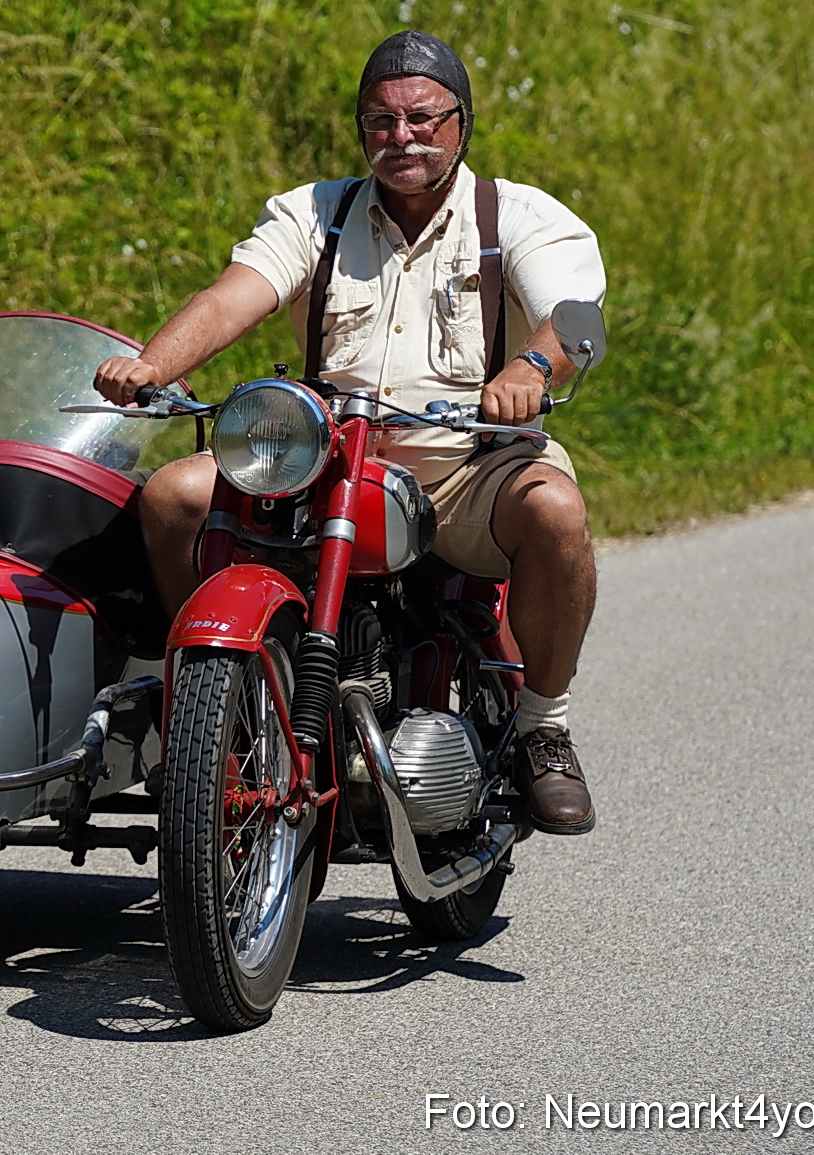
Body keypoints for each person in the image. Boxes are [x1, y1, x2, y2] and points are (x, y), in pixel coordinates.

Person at [92, 30, 601, 835]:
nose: (402, 137)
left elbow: (572, 318)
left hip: (469, 468)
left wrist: (527, 374)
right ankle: (190, 703)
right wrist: (152, 363)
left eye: (423, 119)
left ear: (461, 123)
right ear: (362, 129)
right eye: (380, 121)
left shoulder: (522, 217)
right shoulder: (314, 214)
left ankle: (544, 725)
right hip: (325, 466)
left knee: (557, 513)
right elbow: (237, 295)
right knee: (173, 497)